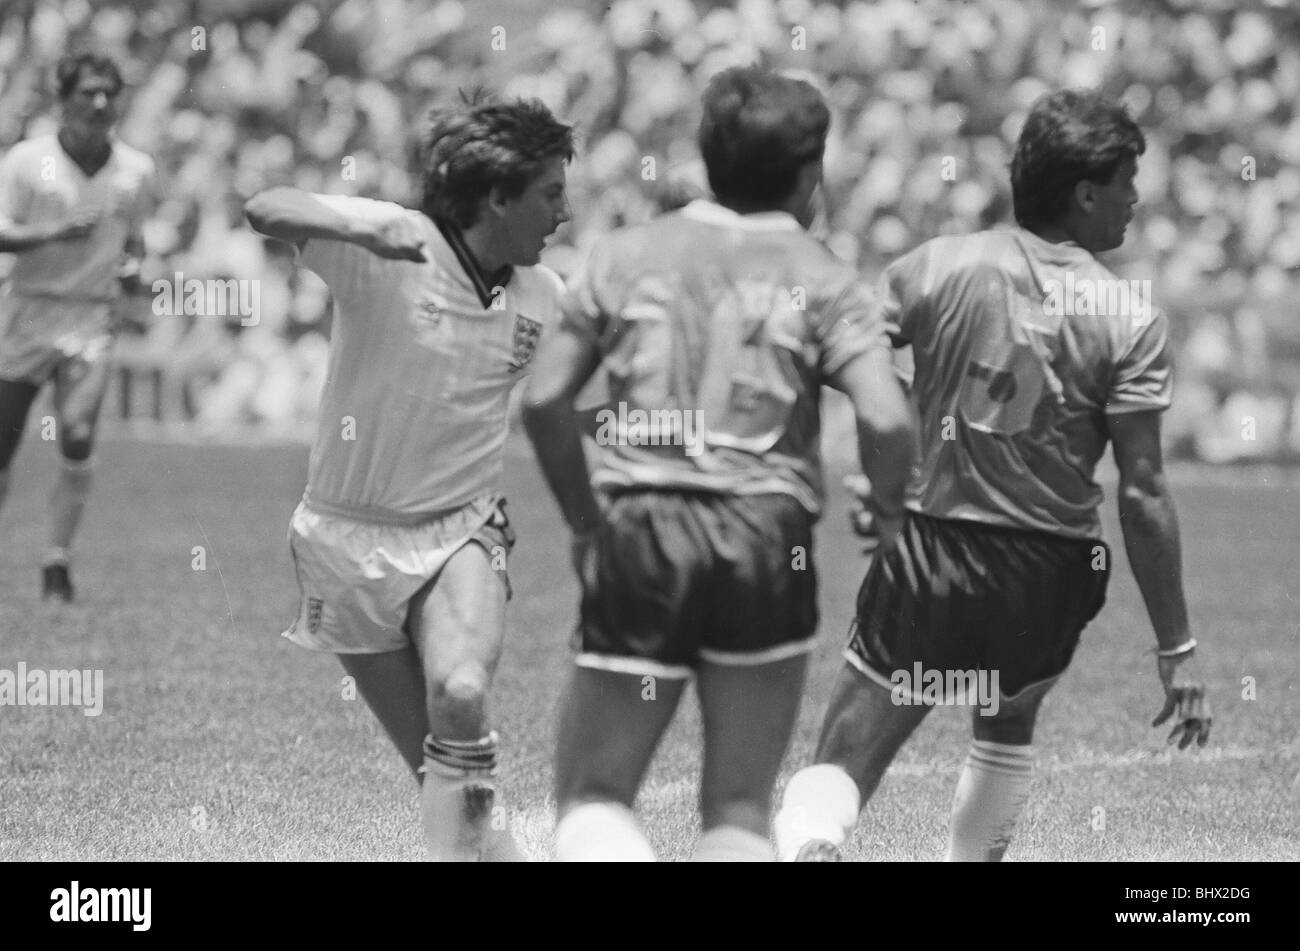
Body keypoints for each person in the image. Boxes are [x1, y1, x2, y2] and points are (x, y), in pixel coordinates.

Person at [774, 89, 1212, 862]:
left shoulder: (939, 265)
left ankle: (813, 846)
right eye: (1127, 182)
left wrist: (902, 422)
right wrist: (1175, 646)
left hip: (935, 551)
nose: (1137, 201)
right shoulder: (1128, 315)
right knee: (1006, 723)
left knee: (841, 760)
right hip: (1053, 568)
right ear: (1084, 193)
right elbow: (1142, 493)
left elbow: (832, 348)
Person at [523, 66, 915, 862]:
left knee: (596, 799)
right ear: (810, 175)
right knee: (738, 811)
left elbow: (542, 404)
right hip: (766, 535)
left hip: (643, 525)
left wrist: (584, 521)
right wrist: (892, 510)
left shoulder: (625, 254)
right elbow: (882, 412)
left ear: (706, 156)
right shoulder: (823, 275)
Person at [244, 94, 573, 861]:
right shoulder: (389, 245)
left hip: (461, 527)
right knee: (444, 768)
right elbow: (266, 206)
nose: (564, 212)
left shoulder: (544, 298)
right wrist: (361, 221)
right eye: (551, 193)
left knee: (461, 693)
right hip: (340, 542)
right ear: (497, 196)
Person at [0, 53, 155, 600]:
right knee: (3, 444)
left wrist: (136, 268)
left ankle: (57, 560)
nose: (99, 103)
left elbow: (135, 240)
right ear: (62, 99)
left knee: (80, 430)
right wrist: (56, 231)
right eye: (88, 92)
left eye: (108, 93)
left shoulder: (136, 169)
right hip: (26, 310)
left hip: (90, 314)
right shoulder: (26, 161)